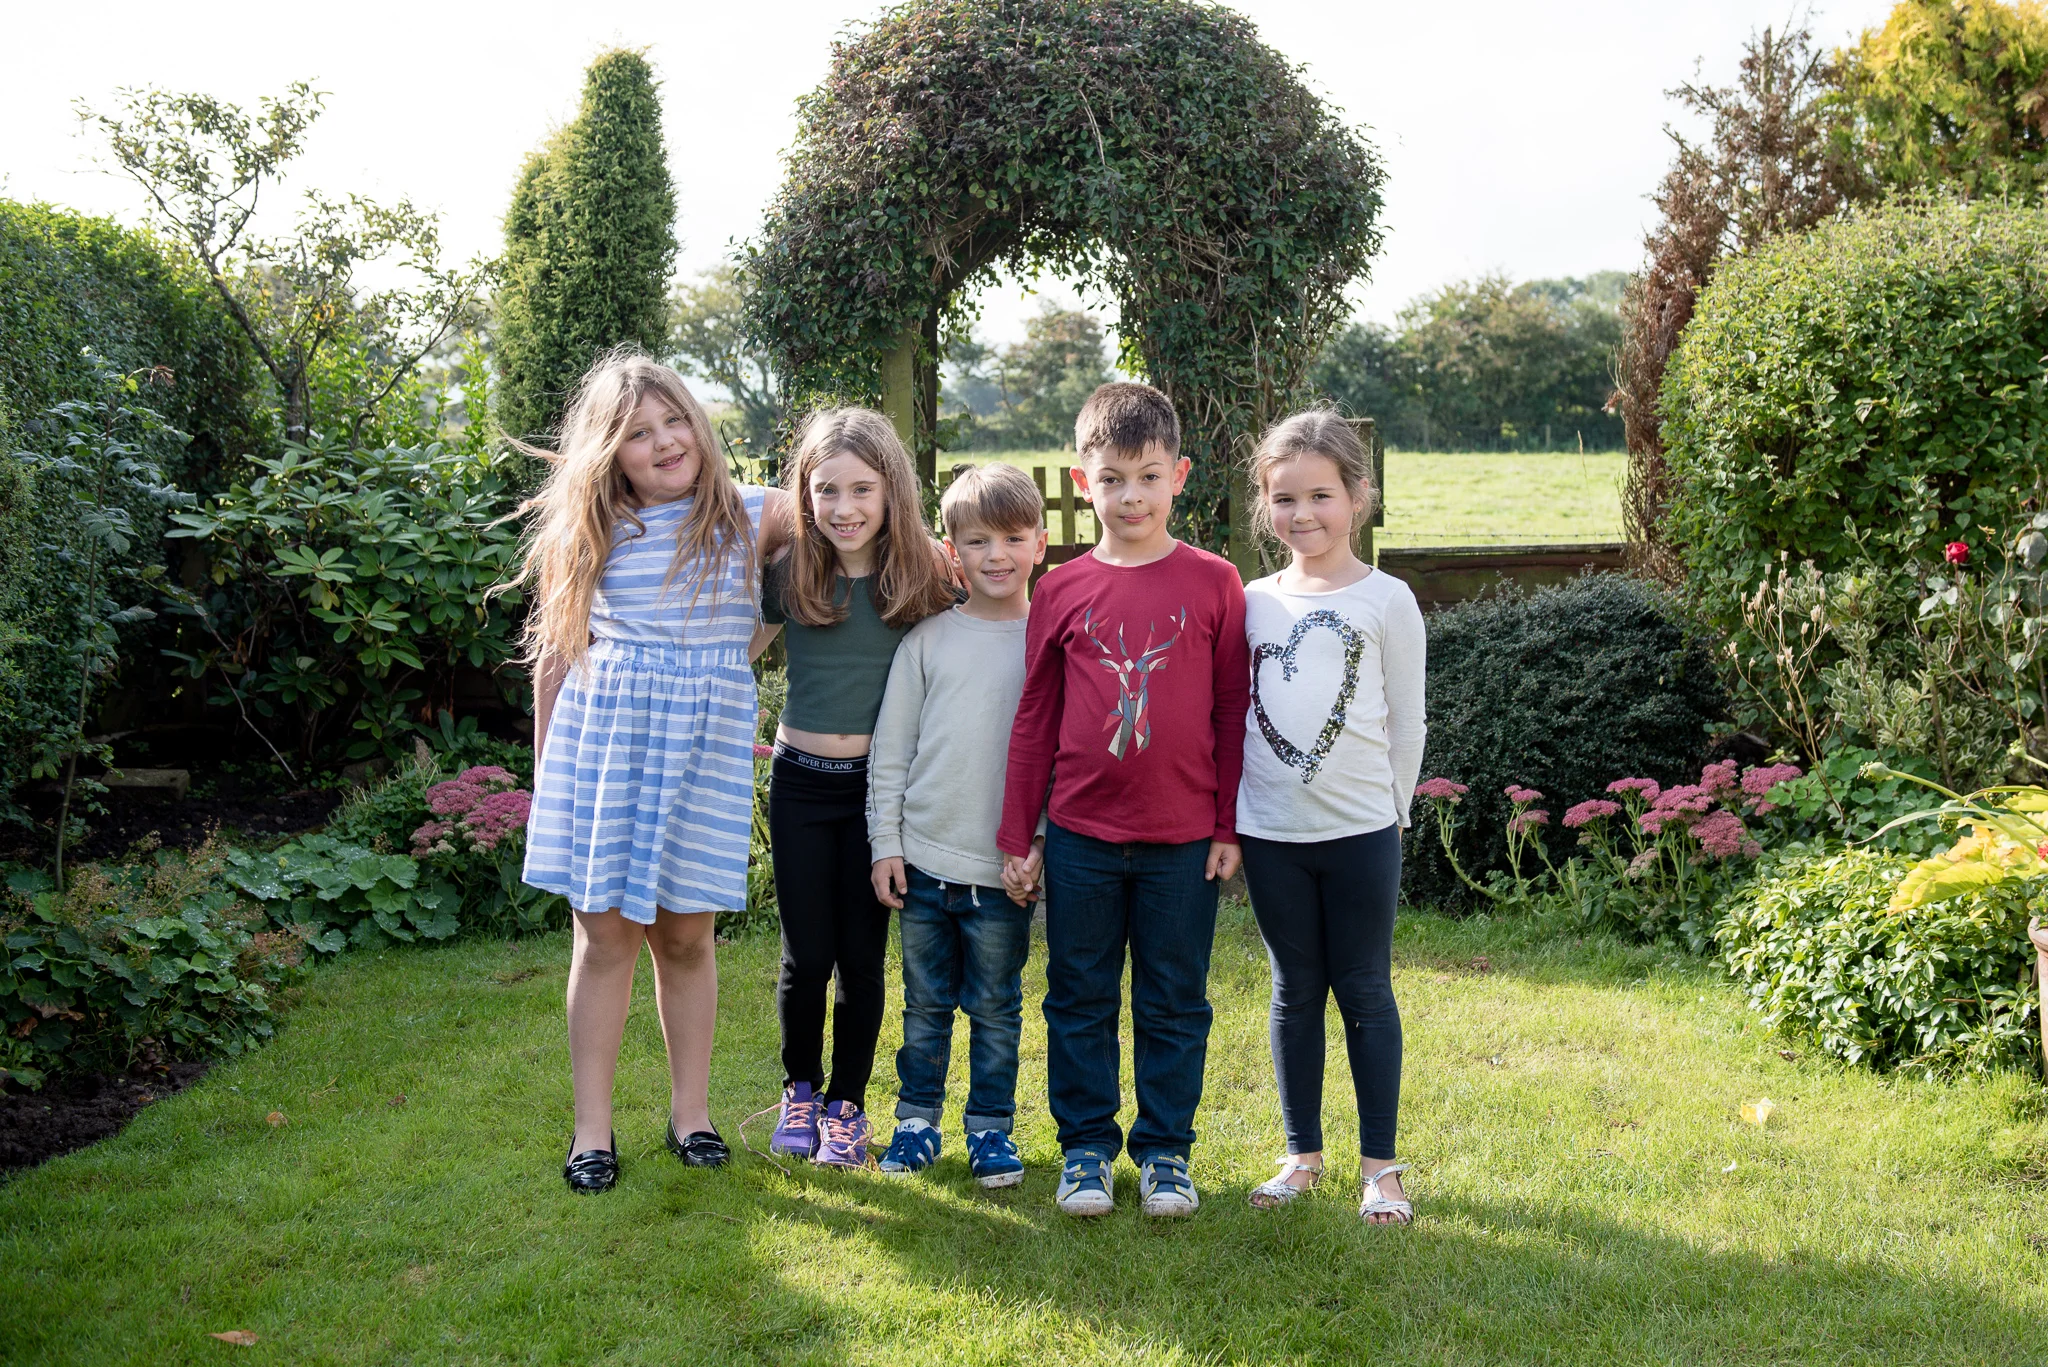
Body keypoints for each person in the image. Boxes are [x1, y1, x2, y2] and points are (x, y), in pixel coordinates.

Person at [516, 347, 792, 1194]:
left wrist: (737, 650)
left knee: (686, 936)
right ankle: (592, 1129)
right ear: (610, 453)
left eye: (676, 421)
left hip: (701, 754)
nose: (666, 441)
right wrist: (546, 776)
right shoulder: (593, 530)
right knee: (605, 939)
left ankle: (691, 1114)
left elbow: (854, 510)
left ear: (700, 427)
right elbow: (556, 657)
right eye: (639, 433)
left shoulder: (753, 514)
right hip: (605, 753)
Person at [997, 382, 1250, 1219]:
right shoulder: (1061, 590)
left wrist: (1226, 824)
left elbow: (1230, 710)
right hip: (1081, 835)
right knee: (1078, 992)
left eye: (1148, 477)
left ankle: (1167, 1151)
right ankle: (1085, 1149)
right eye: (1112, 479)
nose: (1131, 496)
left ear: (1179, 476)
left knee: (1174, 996)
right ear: (1083, 483)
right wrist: (1019, 833)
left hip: (1183, 839)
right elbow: (1035, 717)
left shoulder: (1215, 583)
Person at [1234, 410, 1424, 1226]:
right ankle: (1301, 1155)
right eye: (1284, 498)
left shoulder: (1388, 599)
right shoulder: (1250, 602)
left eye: (1320, 495)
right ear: (1265, 505)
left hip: (1362, 833)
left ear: (1357, 496)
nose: (1302, 513)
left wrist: (1394, 812)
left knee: (1366, 988)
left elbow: (1407, 722)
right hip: (1270, 834)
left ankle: (1381, 1167)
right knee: (1293, 988)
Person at [757, 409, 957, 1168]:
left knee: (861, 959)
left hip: (879, 795)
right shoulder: (792, 574)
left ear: (891, 489)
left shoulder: (924, 576)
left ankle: (846, 1106)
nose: (844, 508)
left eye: (862, 489)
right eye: (827, 490)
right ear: (804, 496)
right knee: (806, 955)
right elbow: (734, 648)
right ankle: (800, 1091)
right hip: (800, 786)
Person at [867, 463, 1049, 1189]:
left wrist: (1038, 843)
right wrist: (886, 844)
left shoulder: (1050, 642)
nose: (996, 555)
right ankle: (916, 1122)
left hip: (1002, 874)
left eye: (1012, 538)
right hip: (924, 864)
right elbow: (891, 753)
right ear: (952, 551)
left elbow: (1062, 758)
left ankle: (991, 1129)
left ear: (1040, 543)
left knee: (997, 1008)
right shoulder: (927, 642)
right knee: (925, 1005)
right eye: (978, 541)